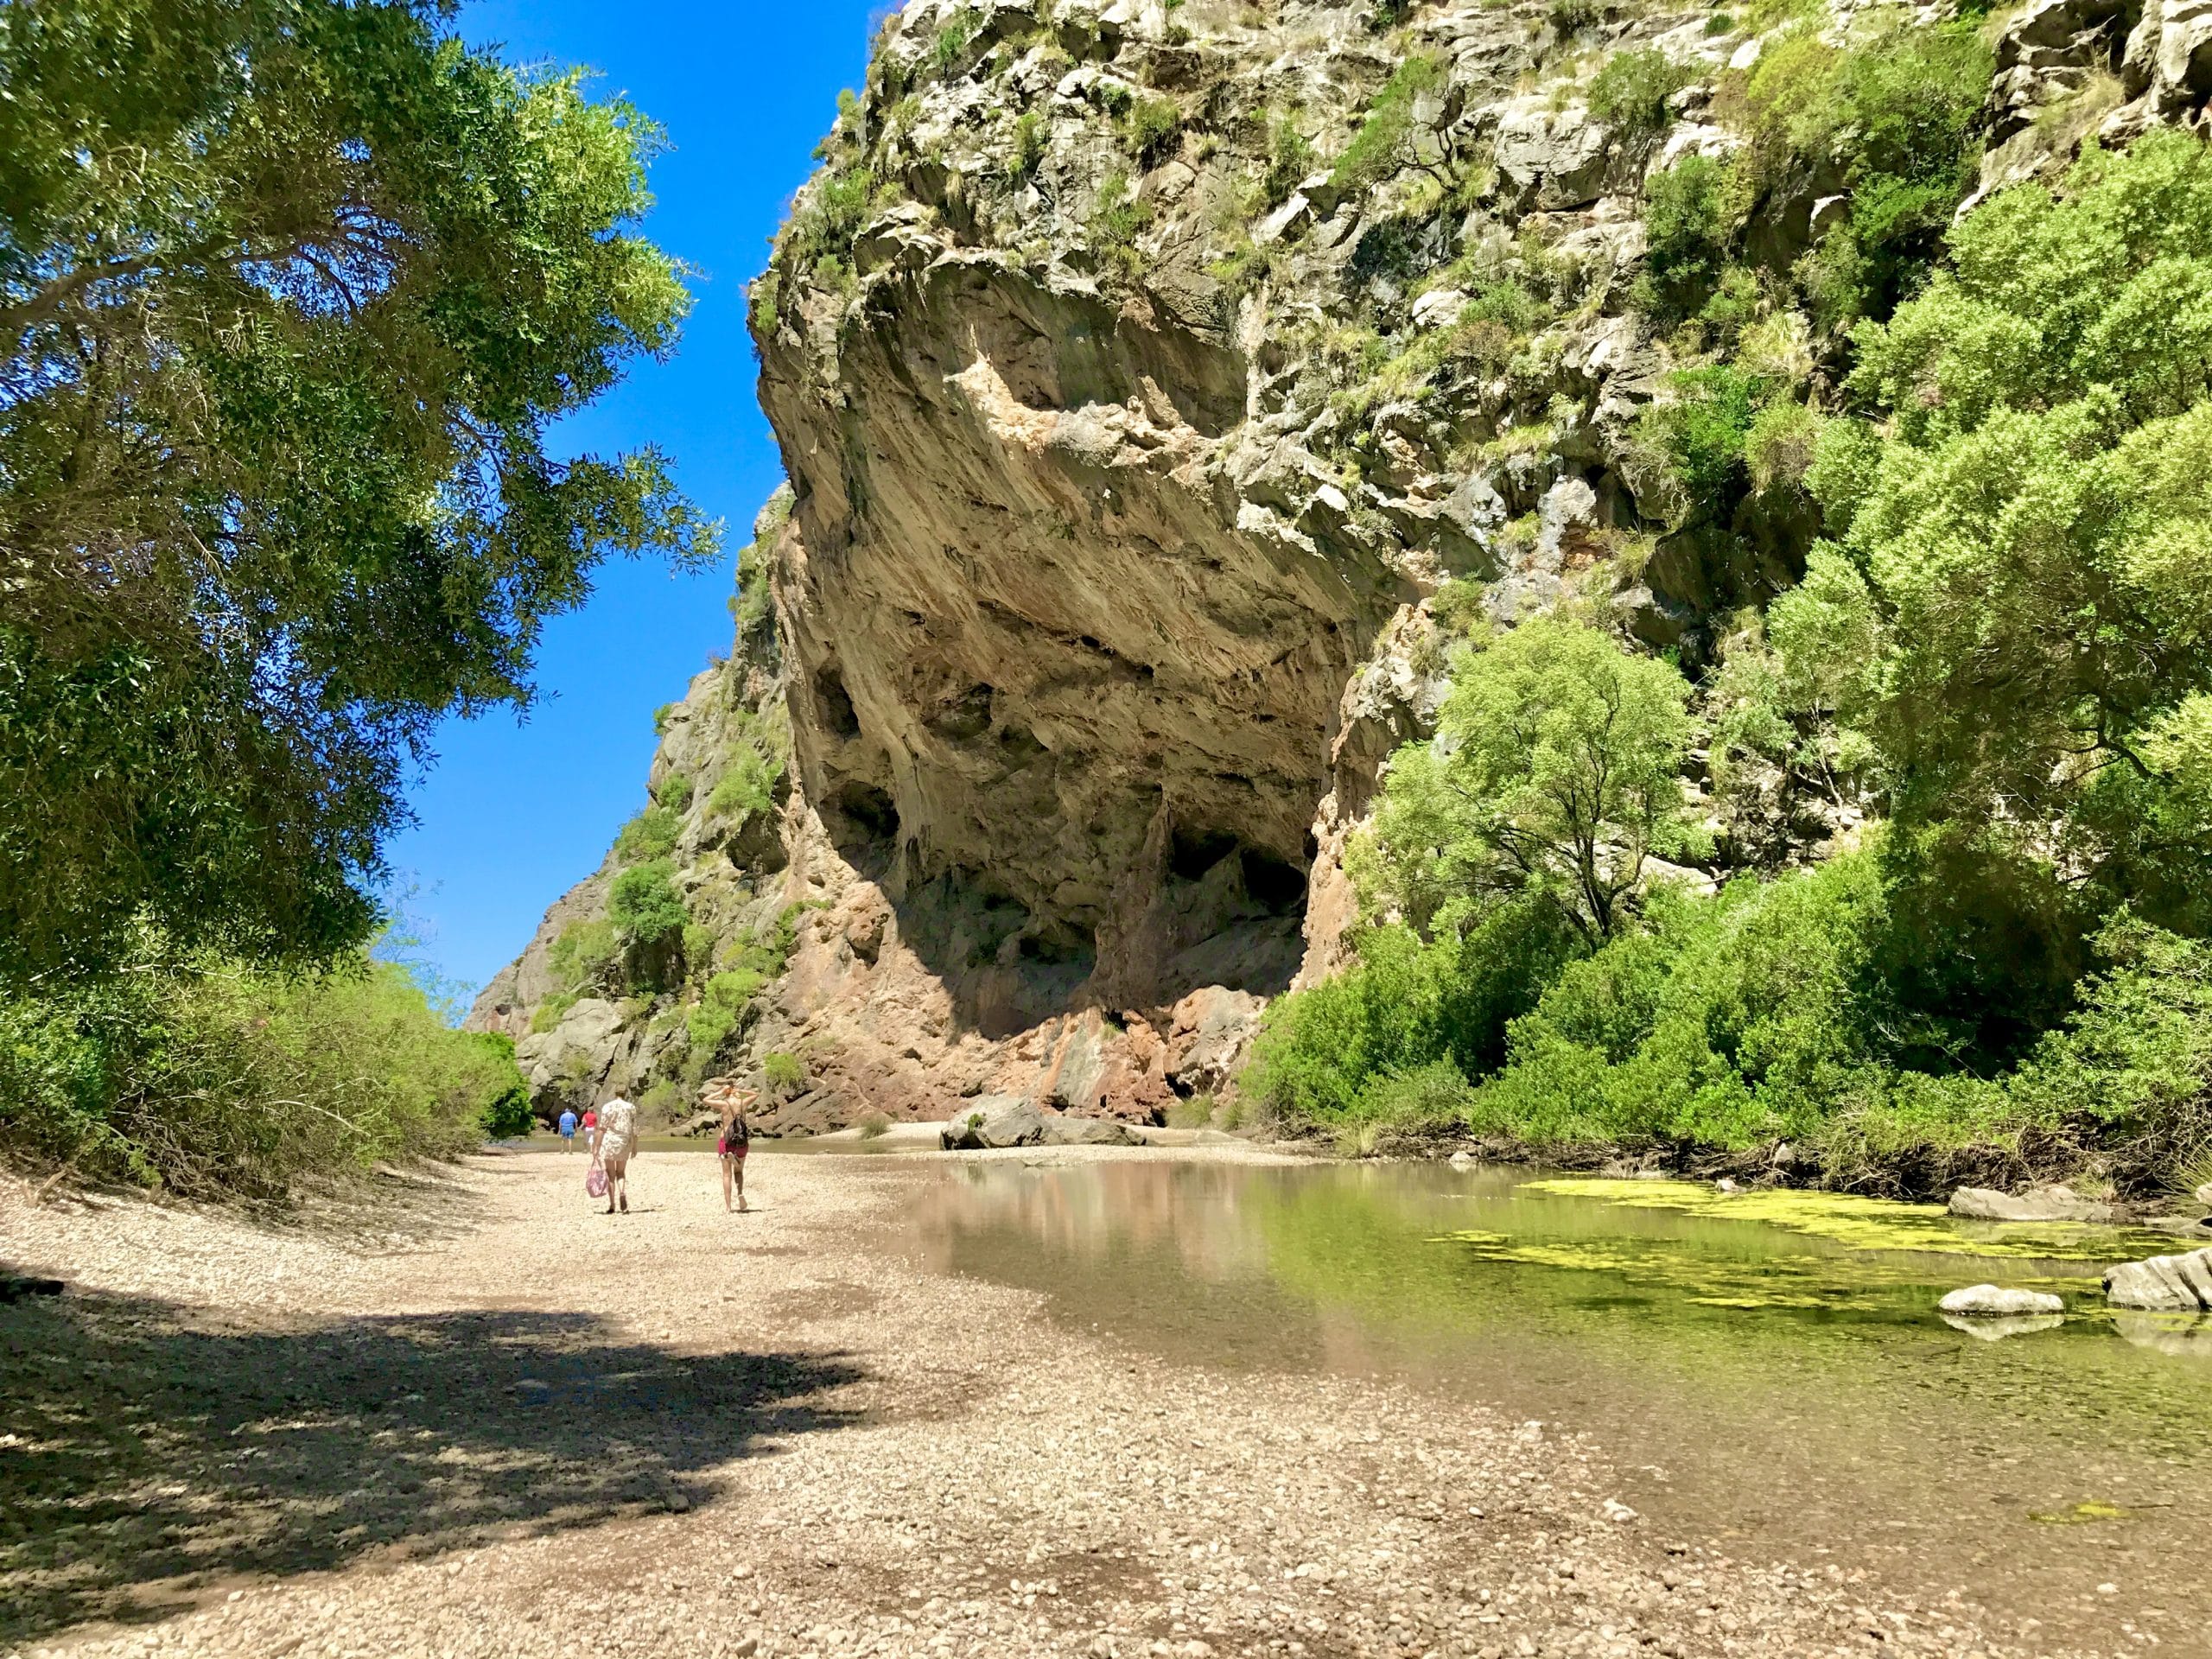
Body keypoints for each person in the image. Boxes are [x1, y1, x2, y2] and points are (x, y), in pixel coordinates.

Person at [708, 1083, 758, 1214]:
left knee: (726, 1175)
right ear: (735, 1092)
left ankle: (728, 1207)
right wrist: (741, 1090)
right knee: (739, 1172)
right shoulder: (743, 1103)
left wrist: (721, 1092)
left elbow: (706, 1100)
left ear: (727, 1093)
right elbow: (755, 1094)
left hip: (726, 1142)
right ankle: (740, 1193)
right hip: (741, 1142)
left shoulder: (724, 1105)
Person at [594, 1096, 638, 1215]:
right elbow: (634, 1129)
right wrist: (634, 1147)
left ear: (615, 1093)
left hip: (610, 1143)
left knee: (610, 1174)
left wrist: (596, 1147)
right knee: (621, 1172)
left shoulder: (607, 1106)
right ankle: (622, 1192)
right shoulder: (631, 1107)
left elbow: (602, 1129)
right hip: (624, 1142)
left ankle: (612, 1204)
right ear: (625, 1093)